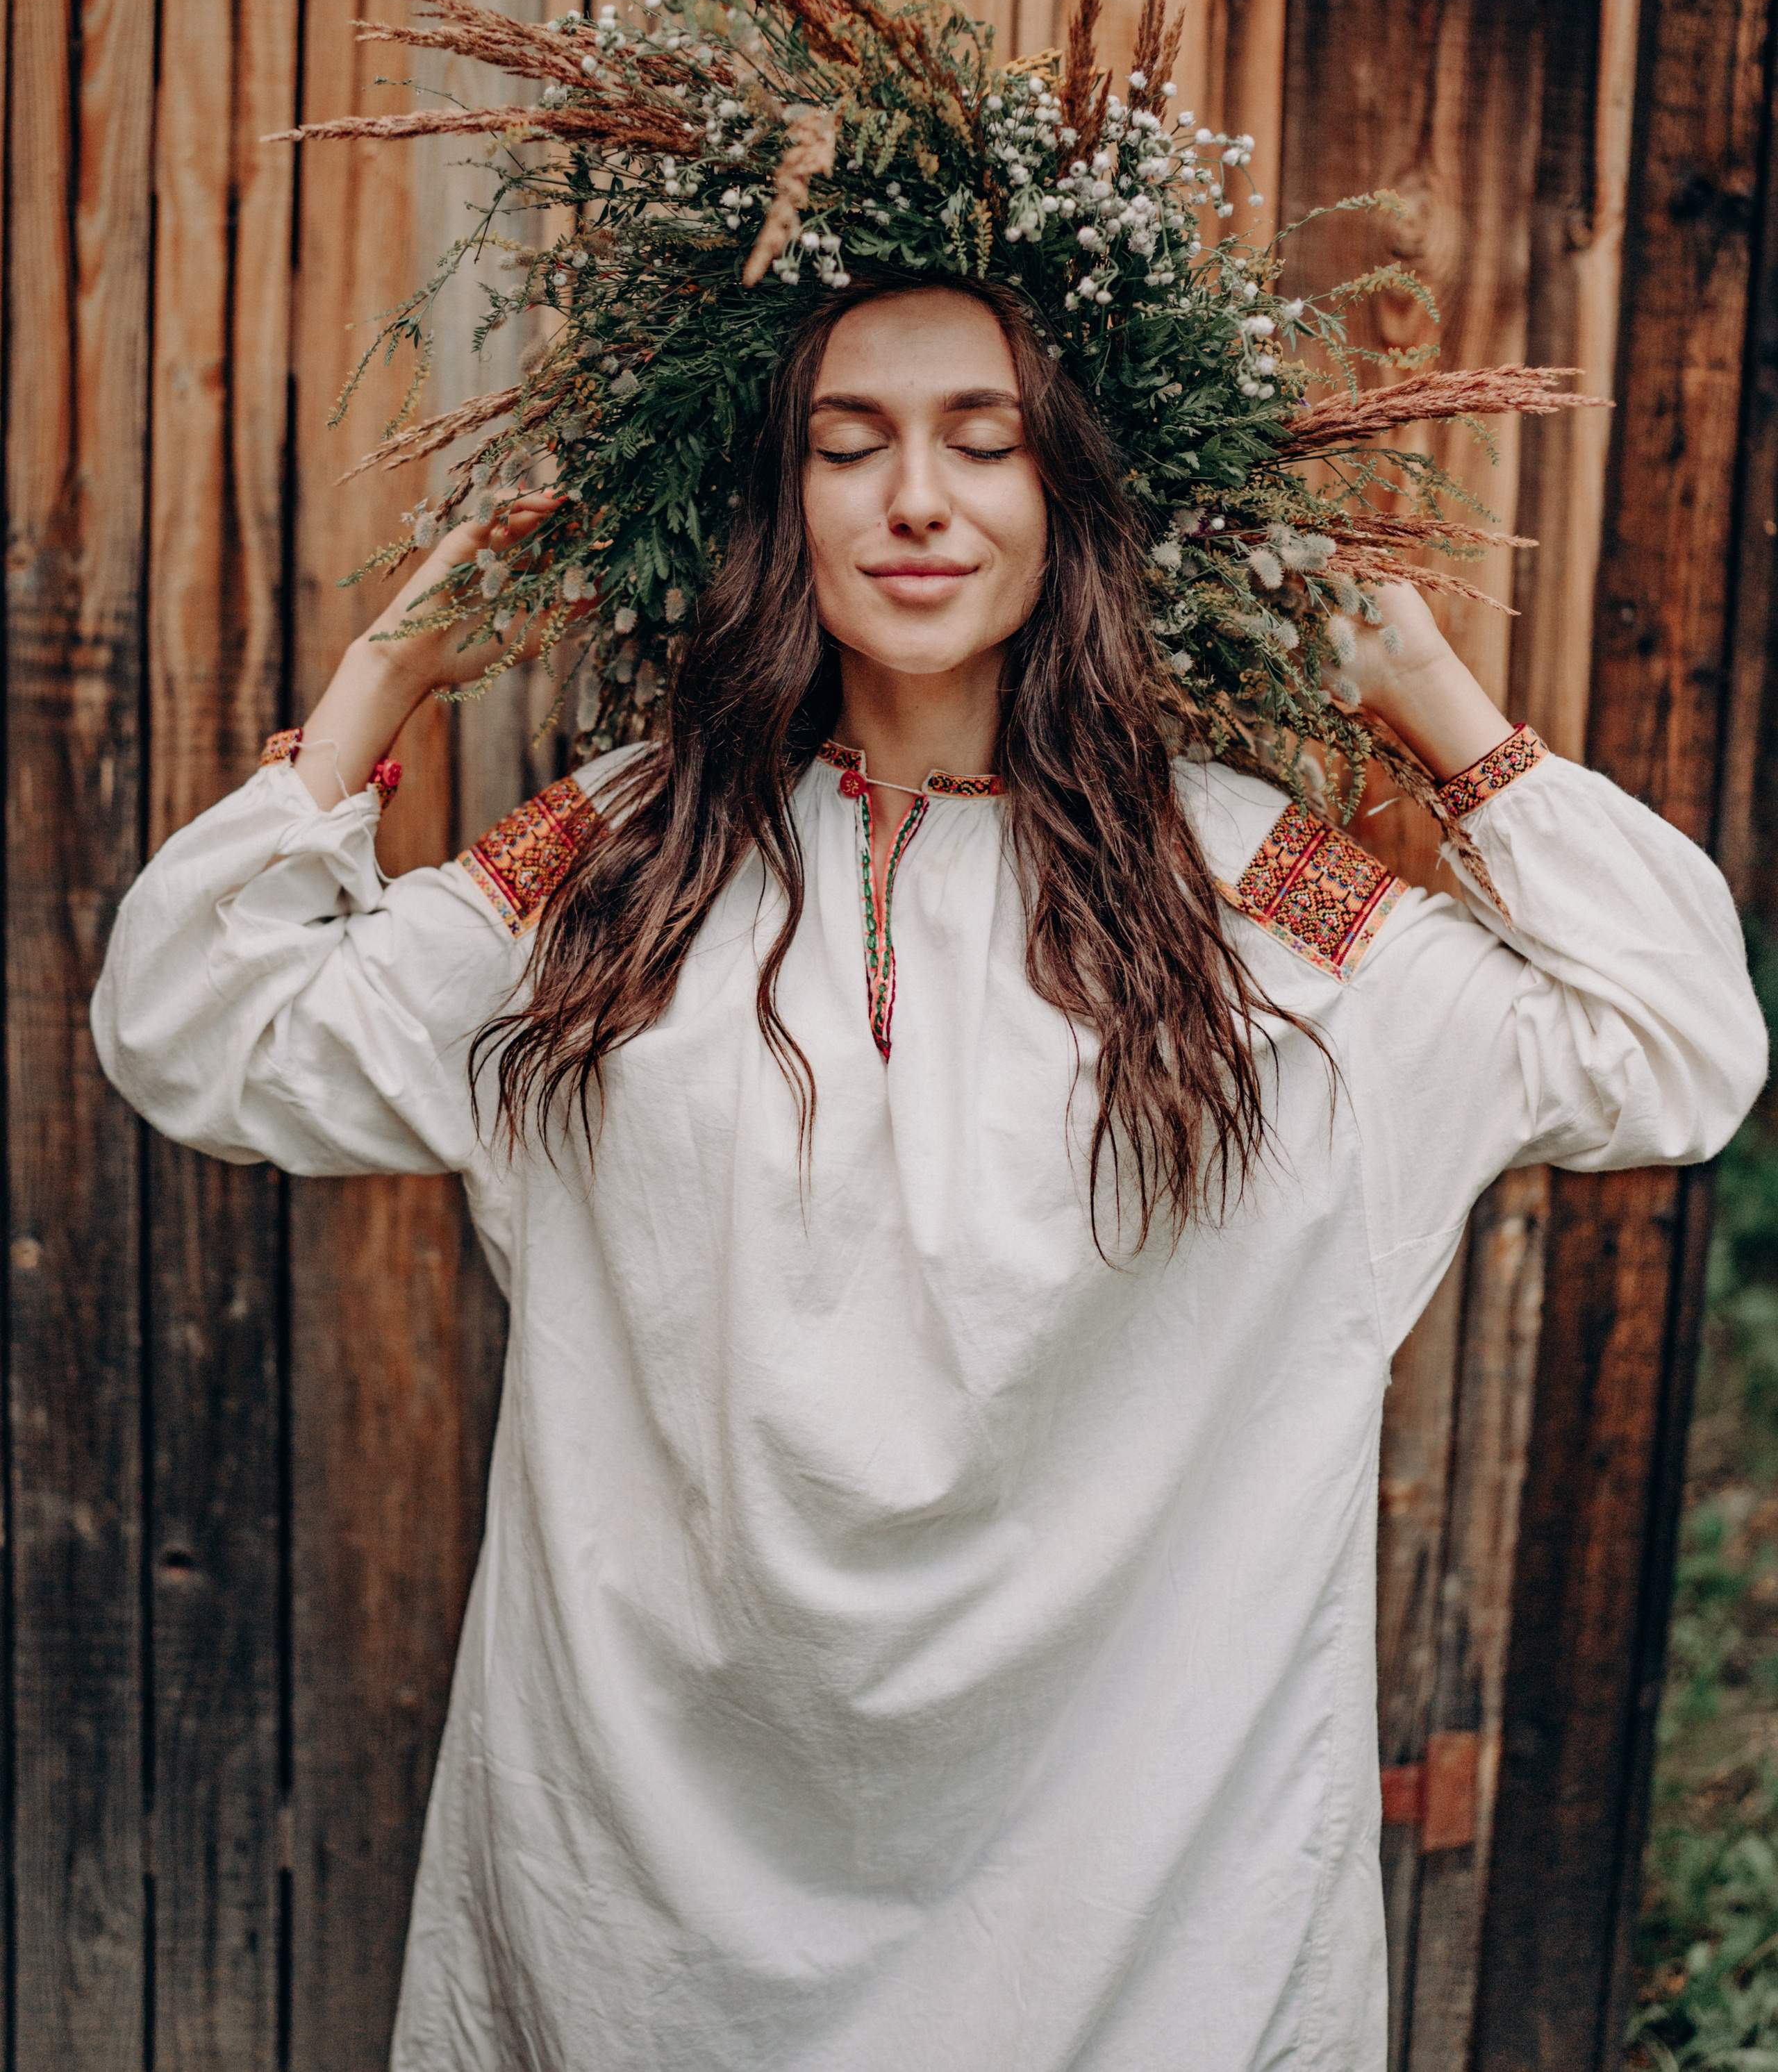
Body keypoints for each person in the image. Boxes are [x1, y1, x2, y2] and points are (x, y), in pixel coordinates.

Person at [94, 273, 1763, 2071]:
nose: (915, 500)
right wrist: (385, 675)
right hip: (657, 1887)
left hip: (1121, 1912)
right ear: (775, 499)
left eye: (988, 443)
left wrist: (1429, 697)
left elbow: (1671, 1051)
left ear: (1071, 505)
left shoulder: (1234, 889)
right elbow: (204, 1029)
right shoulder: (630, 863)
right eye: (847, 445)